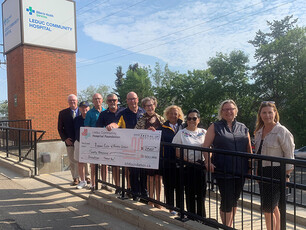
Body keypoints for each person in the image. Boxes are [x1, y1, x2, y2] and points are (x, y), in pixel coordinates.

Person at [203, 100, 252, 227]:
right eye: (225, 109)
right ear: (221, 112)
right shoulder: (215, 126)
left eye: (231, 109)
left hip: (240, 169)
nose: (229, 111)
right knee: (227, 200)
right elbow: (206, 146)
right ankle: (227, 227)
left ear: (236, 111)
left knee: (234, 199)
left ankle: (229, 225)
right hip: (223, 170)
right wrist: (208, 162)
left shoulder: (243, 127)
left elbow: (249, 149)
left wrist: (251, 167)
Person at [254, 101, 294, 230]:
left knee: (267, 208)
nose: (267, 115)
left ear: (275, 113)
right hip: (262, 171)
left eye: (270, 112)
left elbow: (289, 155)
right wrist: (256, 171)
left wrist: (287, 175)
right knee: (272, 206)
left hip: (276, 172)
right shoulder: (259, 131)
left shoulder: (281, 131)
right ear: (260, 114)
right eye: (264, 112)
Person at [172, 108, 207, 218]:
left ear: (198, 120)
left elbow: (209, 148)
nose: (192, 120)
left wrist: (208, 161)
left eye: (194, 118)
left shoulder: (203, 132)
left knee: (201, 194)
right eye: (189, 118)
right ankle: (191, 215)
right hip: (188, 166)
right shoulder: (181, 133)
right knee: (190, 193)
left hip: (201, 165)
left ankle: (201, 217)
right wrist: (190, 161)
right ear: (187, 120)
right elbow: (177, 151)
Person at [135, 97, 165, 208]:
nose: (150, 107)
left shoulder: (161, 119)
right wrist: (145, 132)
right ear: (144, 107)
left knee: (158, 177)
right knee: (150, 177)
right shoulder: (141, 120)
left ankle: (158, 200)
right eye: (147, 106)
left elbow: (166, 134)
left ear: (155, 105)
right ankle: (150, 199)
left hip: (159, 152)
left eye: (151, 105)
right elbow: (135, 134)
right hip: (147, 152)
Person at [117, 92, 145, 201]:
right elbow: (116, 123)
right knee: (133, 171)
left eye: (134, 99)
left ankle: (144, 194)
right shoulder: (122, 113)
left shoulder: (144, 111)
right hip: (130, 146)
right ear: (127, 100)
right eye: (129, 99)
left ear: (137, 99)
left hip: (143, 147)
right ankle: (135, 194)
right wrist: (112, 126)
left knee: (143, 172)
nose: (132, 101)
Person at [96, 93, 125, 194]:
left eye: (114, 100)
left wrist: (116, 125)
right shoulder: (103, 114)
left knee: (128, 167)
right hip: (112, 145)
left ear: (117, 101)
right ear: (107, 102)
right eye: (110, 101)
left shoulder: (124, 111)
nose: (112, 102)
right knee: (115, 167)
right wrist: (106, 128)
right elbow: (98, 128)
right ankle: (118, 187)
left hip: (126, 143)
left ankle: (129, 189)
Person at [160, 105, 184, 214]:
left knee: (180, 186)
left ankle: (180, 208)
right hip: (168, 161)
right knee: (169, 185)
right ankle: (170, 207)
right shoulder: (162, 127)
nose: (173, 115)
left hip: (181, 162)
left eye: (176, 113)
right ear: (167, 114)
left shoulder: (183, 126)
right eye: (171, 113)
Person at [84, 93, 107, 191]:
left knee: (104, 164)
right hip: (93, 142)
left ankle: (104, 184)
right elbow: (87, 128)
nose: (97, 101)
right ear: (92, 101)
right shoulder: (89, 113)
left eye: (99, 99)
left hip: (105, 142)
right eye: (95, 99)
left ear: (102, 100)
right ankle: (93, 184)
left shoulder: (106, 111)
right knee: (93, 165)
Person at [58, 94, 80, 185]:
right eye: (70, 101)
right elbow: (60, 128)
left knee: (83, 160)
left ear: (77, 101)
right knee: (72, 160)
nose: (72, 102)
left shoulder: (84, 111)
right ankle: (75, 178)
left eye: (74, 100)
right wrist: (65, 139)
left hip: (81, 140)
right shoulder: (63, 113)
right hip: (70, 140)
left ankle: (87, 177)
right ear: (68, 102)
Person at [73, 101, 91, 189]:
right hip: (79, 142)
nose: (84, 109)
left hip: (90, 144)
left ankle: (92, 182)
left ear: (89, 108)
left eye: (86, 107)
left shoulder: (91, 119)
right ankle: (82, 181)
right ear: (79, 109)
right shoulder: (76, 119)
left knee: (92, 163)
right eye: (82, 107)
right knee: (80, 162)